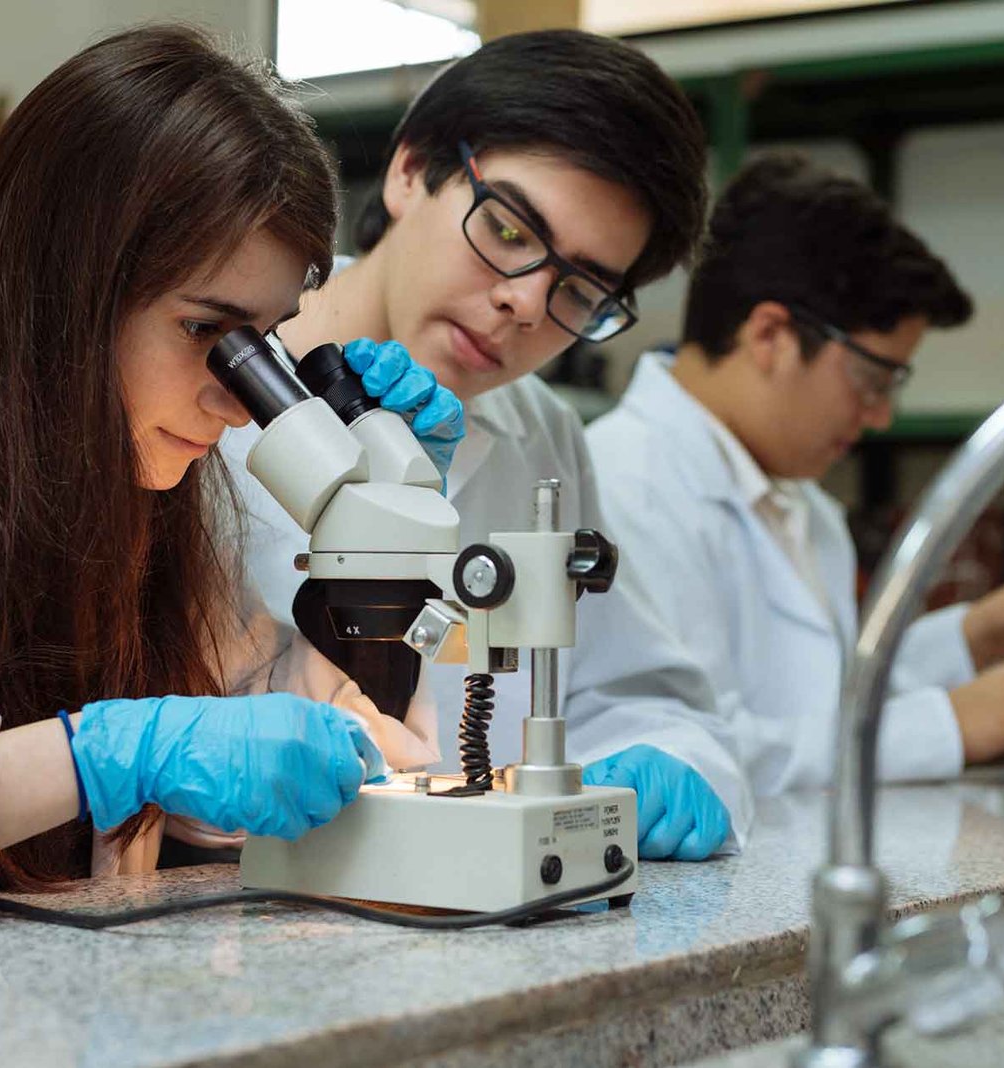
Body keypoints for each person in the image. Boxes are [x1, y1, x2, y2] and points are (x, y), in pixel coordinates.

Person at [0, 26, 463, 923]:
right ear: (65, 282)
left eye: (265, 342)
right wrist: (97, 755)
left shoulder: (166, 475)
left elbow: (276, 761)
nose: (242, 402)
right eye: (207, 332)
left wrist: (380, 560)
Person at [226, 30, 745, 860]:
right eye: (507, 230)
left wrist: (671, 761)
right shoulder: (205, 391)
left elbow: (638, 692)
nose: (527, 305)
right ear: (408, 172)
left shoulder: (542, 431)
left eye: (581, 288)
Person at [587, 152, 1004, 796]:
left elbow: (822, 705)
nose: (880, 416)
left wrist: (979, 636)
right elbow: (694, 751)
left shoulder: (805, 507)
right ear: (770, 336)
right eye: (873, 380)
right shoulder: (623, 486)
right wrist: (946, 725)